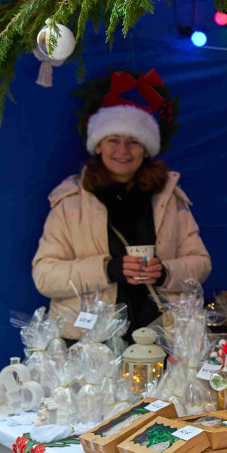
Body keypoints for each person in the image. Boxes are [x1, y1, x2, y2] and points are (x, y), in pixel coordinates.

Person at [32, 69, 211, 341]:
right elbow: (44, 276)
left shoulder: (169, 199)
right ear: (99, 146)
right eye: (113, 140)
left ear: (146, 148)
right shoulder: (70, 202)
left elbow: (201, 264)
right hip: (90, 343)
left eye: (133, 142)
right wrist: (107, 269)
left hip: (161, 338)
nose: (123, 151)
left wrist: (165, 272)